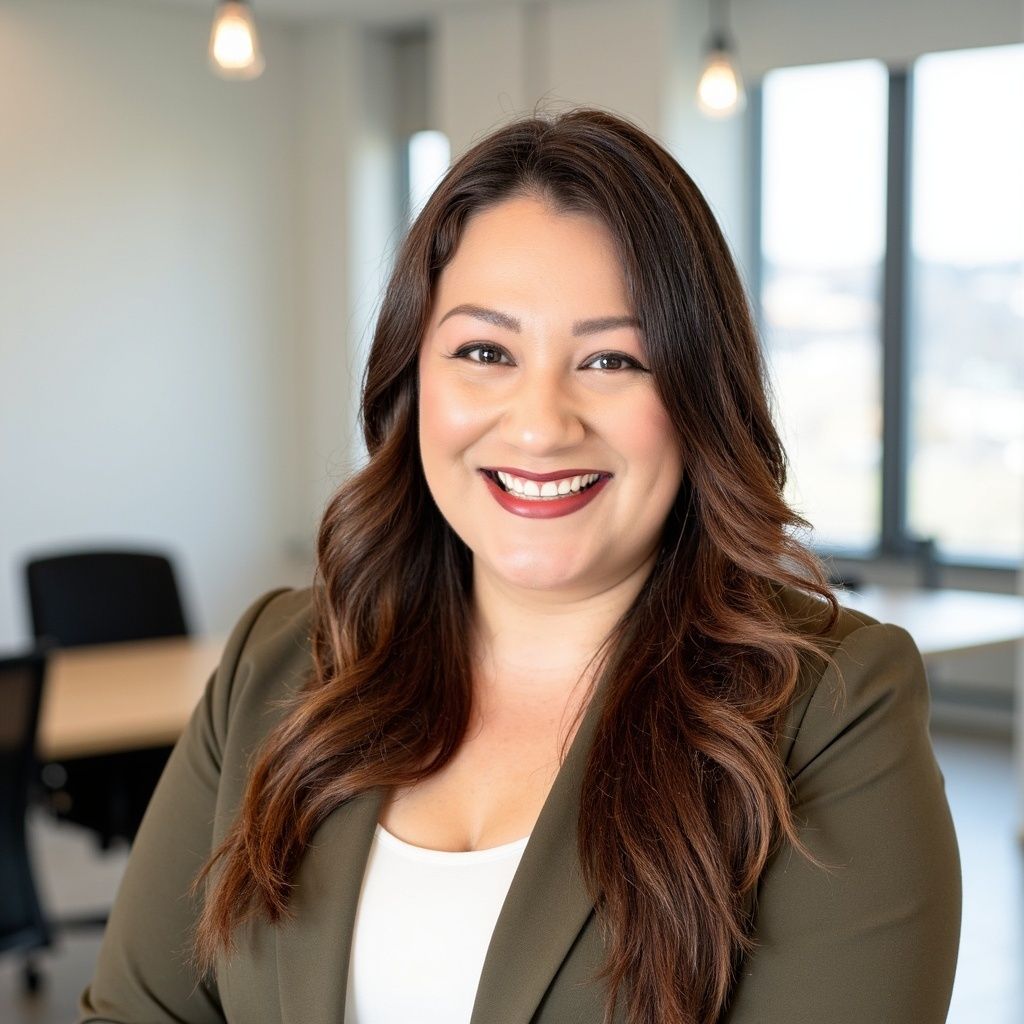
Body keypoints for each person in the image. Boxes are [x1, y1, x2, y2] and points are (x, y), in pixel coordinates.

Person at [78, 107, 961, 1024]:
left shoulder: (829, 708)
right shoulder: (280, 661)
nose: (541, 425)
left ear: (701, 391)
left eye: (612, 358)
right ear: (412, 376)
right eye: (485, 352)